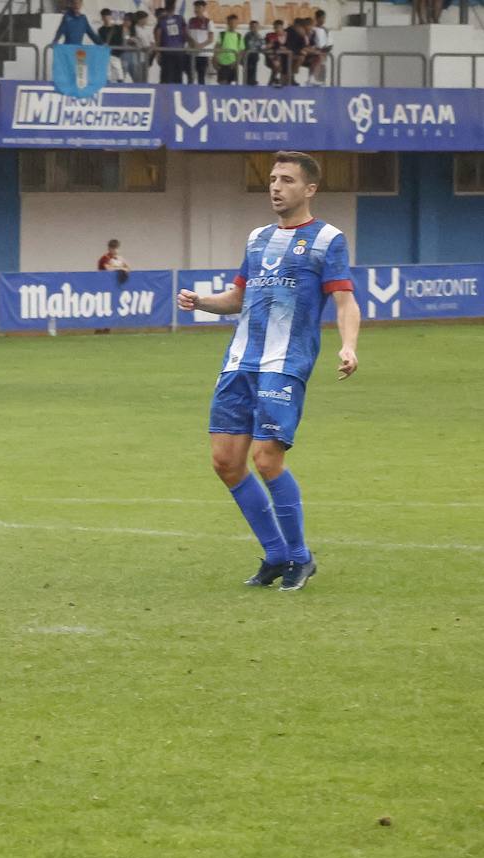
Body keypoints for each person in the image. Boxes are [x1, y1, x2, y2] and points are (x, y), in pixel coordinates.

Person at [176, 151, 360, 592]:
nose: (276, 187)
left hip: (285, 364)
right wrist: (202, 302)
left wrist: (348, 346)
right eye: (273, 179)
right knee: (225, 462)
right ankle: (276, 555)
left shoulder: (327, 239)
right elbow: (238, 299)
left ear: (309, 189)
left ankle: (300, 557)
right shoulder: (257, 238)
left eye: (287, 180)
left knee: (266, 457)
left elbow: (345, 300)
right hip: (240, 360)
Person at [154, 0, 187, 84]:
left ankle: (164, 95)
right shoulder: (180, 18)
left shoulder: (162, 19)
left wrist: (158, 52)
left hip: (167, 51)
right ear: (174, 6)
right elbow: (185, 34)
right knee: (177, 77)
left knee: (166, 77)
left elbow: (158, 35)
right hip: (178, 50)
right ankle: (176, 94)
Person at [187, 0, 213, 84]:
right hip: (191, 52)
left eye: (199, 7)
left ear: (204, 8)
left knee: (201, 76)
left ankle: (200, 93)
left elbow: (210, 39)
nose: (197, 9)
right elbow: (187, 35)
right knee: (190, 75)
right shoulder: (191, 21)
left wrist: (200, 46)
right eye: (195, 7)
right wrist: (193, 44)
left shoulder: (208, 22)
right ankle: (190, 93)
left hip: (203, 54)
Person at [214, 13, 243, 85]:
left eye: (234, 23)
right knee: (223, 84)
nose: (232, 24)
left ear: (237, 24)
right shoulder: (222, 34)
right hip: (222, 63)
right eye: (231, 22)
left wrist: (236, 62)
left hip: (233, 64)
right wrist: (215, 59)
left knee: (232, 86)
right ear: (228, 23)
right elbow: (217, 47)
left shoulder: (239, 36)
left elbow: (241, 51)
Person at [98, 8, 126, 81]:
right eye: (104, 16)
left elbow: (121, 40)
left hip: (116, 54)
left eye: (107, 16)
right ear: (102, 18)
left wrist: (119, 52)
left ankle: (121, 89)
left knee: (119, 74)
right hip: (106, 54)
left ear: (110, 16)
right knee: (107, 74)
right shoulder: (101, 30)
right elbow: (100, 41)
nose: (106, 18)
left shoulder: (118, 28)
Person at [127, 10, 153, 83]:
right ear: (140, 19)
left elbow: (152, 42)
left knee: (145, 76)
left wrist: (150, 49)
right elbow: (130, 40)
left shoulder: (148, 29)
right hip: (137, 55)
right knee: (138, 76)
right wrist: (139, 46)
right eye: (145, 18)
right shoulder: (134, 29)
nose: (146, 20)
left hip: (147, 56)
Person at [282, 18, 308, 85]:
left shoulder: (300, 33)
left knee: (301, 57)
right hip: (285, 54)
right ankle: (289, 77)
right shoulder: (287, 31)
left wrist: (304, 36)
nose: (301, 28)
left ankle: (292, 76)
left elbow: (303, 45)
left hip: (294, 53)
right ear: (296, 25)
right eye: (300, 26)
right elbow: (288, 46)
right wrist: (299, 51)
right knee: (299, 57)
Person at [264, 20, 287, 86]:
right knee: (276, 65)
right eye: (275, 28)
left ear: (282, 27)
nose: (277, 29)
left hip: (285, 59)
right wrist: (269, 46)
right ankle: (274, 80)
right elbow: (266, 46)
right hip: (273, 58)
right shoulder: (270, 36)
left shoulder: (288, 36)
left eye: (279, 27)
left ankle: (273, 81)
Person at [243, 19, 264, 85]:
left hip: (255, 57)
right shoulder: (247, 36)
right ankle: (249, 83)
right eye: (252, 27)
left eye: (256, 27)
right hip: (248, 57)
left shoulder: (259, 36)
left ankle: (252, 81)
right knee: (248, 72)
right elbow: (247, 46)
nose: (254, 28)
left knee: (254, 71)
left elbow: (262, 45)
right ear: (250, 27)